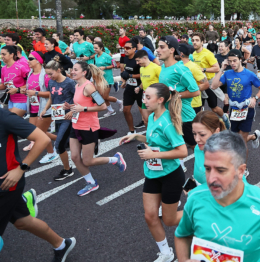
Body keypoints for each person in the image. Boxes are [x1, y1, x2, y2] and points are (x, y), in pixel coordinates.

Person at [174, 131, 260, 262]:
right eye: (207, 169)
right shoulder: (195, 198)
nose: (211, 179)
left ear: (241, 171)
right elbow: (183, 235)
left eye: (220, 170)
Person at [120, 84, 188, 262]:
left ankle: (202, 215)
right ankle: (166, 253)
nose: (144, 100)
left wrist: (153, 154)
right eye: (144, 96)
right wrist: (136, 136)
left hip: (171, 175)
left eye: (148, 97)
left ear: (161, 100)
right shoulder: (152, 117)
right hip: (152, 173)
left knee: (170, 220)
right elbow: (152, 140)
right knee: (150, 216)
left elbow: (182, 151)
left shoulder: (167, 122)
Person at [0, 109, 76, 261]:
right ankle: (62, 244)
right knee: (23, 222)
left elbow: (42, 139)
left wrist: (21, 168)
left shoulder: (4, 117)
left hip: (7, 185)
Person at [68, 61, 127, 196]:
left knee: (88, 160)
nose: (72, 71)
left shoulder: (89, 87)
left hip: (88, 127)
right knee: (75, 157)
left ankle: (115, 160)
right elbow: (80, 104)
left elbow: (103, 106)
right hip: (76, 124)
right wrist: (71, 109)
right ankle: (91, 183)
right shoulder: (77, 85)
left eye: (75, 69)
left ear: (84, 72)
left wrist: (83, 108)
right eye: (72, 69)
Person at [211, 49, 260, 161]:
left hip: (247, 109)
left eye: (235, 61)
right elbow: (214, 86)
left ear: (240, 59)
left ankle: (243, 168)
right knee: (236, 139)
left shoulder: (249, 74)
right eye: (230, 61)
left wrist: (254, 98)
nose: (232, 63)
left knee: (240, 140)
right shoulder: (227, 74)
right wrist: (221, 69)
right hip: (234, 110)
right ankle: (254, 136)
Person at [157, 36, 201, 159]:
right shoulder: (163, 68)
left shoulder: (181, 69)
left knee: (196, 147)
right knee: (175, 146)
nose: (158, 50)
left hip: (185, 117)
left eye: (161, 47)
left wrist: (175, 96)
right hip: (170, 115)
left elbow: (196, 91)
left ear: (172, 50)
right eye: (158, 47)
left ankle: (206, 173)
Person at [40, 60, 76, 181]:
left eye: (51, 74)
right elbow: (51, 97)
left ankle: (67, 170)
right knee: (65, 141)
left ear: (59, 70)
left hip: (68, 117)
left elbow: (79, 99)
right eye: (47, 74)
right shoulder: (51, 82)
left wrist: (72, 110)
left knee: (59, 144)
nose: (49, 77)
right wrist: (45, 109)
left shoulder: (70, 82)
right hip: (57, 116)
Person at [20, 51, 55, 162]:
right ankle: (67, 141)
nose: (27, 61)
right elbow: (31, 89)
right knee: (34, 134)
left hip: (44, 109)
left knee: (40, 134)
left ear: (38, 60)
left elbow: (51, 93)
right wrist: (25, 90)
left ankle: (51, 153)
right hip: (33, 108)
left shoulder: (45, 75)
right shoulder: (30, 73)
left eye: (30, 59)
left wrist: (35, 93)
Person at [191, 33, 228, 124]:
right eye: (193, 40)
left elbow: (217, 68)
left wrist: (203, 69)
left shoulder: (208, 54)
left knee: (214, 108)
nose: (194, 42)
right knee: (198, 107)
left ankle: (225, 118)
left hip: (209, 83)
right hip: (199, 84)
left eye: (197, 40)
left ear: (202, 42)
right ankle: (200, 127)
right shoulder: (192, 54)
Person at [191, 110, 226, 185]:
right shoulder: (198, 148)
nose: (196, 139)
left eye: (202, 135)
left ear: (216, 132)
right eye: (194, 134)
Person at [121, 40, 146, 135]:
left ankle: (150, 132)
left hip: (140, 88)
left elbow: (144, 74)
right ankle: (132, 131)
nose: (125, 50)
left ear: (134, 49)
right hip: (130, 88)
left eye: (128, 48)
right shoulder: (124, 58)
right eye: (124, 48)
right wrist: (124, 81)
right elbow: (124, 72)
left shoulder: (139, 59)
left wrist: (131, 76)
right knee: (125, 110)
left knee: (144, 113)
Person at [133, 49, 162, 131]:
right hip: (145, 96)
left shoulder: (156, 68)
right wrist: (139, 87)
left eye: (138, 60)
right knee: (146, 120)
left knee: (158, 119)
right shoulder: (141, 68)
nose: (137, 63)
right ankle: (150, 137)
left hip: (155, 96)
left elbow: (163, 82)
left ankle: (160, 138)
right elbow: (144, 81)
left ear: (145, 58)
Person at [94, 41, 123, 117]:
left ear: (101, 48)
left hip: (107, 79)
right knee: (103, 96)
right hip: (100, 79)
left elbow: (115, 65)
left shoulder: (106, 56)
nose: (95, 49)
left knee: (105, 97)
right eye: (94, 48)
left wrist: (105, 67)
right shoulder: (95, 56)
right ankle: (110, 110)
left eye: (96, 48)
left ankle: (119, 102)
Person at [0, 45, 29, 117]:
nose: (2, 56)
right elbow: (4, 85)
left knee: (10, 120)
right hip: (11, 100)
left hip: (22, 99)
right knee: (14, 125)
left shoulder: (20, 67)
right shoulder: (3, 69)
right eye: (1, 54)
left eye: (4, 54)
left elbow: (31, 83)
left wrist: (17, 89)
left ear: (11, 54)